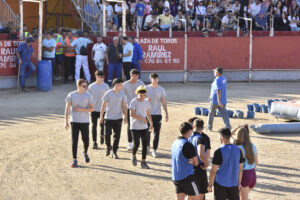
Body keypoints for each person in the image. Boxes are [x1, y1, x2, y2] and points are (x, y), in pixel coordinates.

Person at [207, 128, 244, 200]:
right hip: (234, 184)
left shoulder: (218, 151)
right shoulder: (239, 150)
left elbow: (213, 171)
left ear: (221, 137)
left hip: (220, 184)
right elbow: (240, 169)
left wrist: (210, 184)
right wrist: (239, 183)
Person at [65, 79, 94, 168]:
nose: (85, 88)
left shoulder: (88, 95)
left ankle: (85, 152)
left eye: (86, 86)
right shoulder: (71, 95)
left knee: (86, 140)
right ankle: (74, 160)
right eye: (84, 86)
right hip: (74, 121)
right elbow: (67, 108)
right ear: (79, 86)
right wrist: (66, 121)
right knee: (74, 141)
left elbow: (92, 108)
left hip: (85, 121)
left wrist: (80, 109)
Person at [171, 122, 201, 200]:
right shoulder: (187, 145)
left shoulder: (174, 143)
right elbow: (196, 162)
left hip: (176, 177)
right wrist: (193, 162)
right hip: (188, 178)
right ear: (189, 131)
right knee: (197, 198)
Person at [100, 78, 128, 159]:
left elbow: (124, 106)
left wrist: (126, 117)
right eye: (120, 85)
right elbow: (103, 106)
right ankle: (109, 146)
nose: (122, 86)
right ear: (116, 85)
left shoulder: (123, 94)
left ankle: (115, 152)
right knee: (107, 135)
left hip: (118, 118)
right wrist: (101, 116)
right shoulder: (108, 93)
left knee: (117, 137)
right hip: (108, 118)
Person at [145, 73, 169, 158]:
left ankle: (154, 150)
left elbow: (163, 102)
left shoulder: (161, 89)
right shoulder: (146, 88)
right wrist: (145, 99)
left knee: (157, 133)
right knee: (147, 131)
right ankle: (147, 146)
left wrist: (166, 113)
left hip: (158, 114)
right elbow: (140, 99)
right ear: (150, 79)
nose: (155, 80)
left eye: (156, 79)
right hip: (148, 114)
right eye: (153, 78)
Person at [232, 125, 258, 200]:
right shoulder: (253, 146)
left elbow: (230, 135)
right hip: (252, 174)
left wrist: (237, 127)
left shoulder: (238, 148)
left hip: (244, 175)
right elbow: (256, 162)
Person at [130, 86, 153, 169]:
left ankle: (143, 162)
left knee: (145, 145)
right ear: (137, 94)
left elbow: (148, 113)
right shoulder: (134, 101)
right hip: (135, 127)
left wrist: (151, 123)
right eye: (140, 94)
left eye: (143, 95)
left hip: (144, 127)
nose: (142, 96)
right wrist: (142, 118)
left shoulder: (146, 102)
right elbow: (131, 114)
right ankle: (133, 155)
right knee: (136, 144)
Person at [189, 119, 211, 200]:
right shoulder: (203, 138)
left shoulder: (188, 137)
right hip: (200, 169)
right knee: (201, 194)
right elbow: (203, 153)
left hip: (189, 169)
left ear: (193, 126)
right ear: (203, 127)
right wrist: (206, 163)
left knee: (191, 193)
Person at [123, 69, 145, 151]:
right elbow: (122, 97)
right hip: (129, 107)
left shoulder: (141, 84)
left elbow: (145, 93)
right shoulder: (125, 85)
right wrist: (123, 109)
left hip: (140, 106)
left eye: (136, 75)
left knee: (142, 124)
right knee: (130, 126)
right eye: (133, 75)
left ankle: (142, 143)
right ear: (130, 75)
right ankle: (130, 143)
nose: (135, 77)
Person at [88, 71, 109, 149]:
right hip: (94, 109)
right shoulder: (91, 86)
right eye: (99, 76)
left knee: (103, 125)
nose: (101, 78)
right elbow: (88, 98)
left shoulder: (106, 86)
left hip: (103, 109)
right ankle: (94, 142)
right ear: (96, 76)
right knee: (94, 125)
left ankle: (102, 135)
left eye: (102, 77)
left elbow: (108, 98)